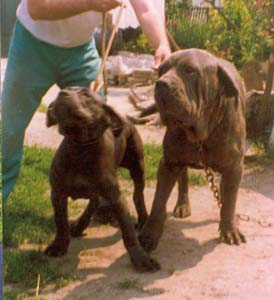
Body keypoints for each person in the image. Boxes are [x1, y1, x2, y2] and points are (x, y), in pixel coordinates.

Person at [1, 0, 171, 206]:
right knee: (8, 130)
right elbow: (37, 8)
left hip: (79, 50)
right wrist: (91, 3)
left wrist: (162, 43)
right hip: (32, 44)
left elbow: (145, 10)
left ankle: (103, 199)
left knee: (101, 124)